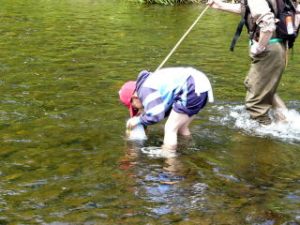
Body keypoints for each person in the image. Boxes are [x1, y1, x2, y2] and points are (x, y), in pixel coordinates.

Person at [207, 0, 300, 125]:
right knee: (254, 85)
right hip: (277, 47)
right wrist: (221, 6)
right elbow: (251, 10)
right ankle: (286, 120)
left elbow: (267, 25)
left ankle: (265, 136)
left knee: (255, 105)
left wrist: (259, 48)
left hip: (268, 49)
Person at [118, 67, 214, 155]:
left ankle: (170, 165)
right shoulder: (147, 85)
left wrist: (138, 120)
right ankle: (189, 150)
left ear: (134, 97)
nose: (137, 109)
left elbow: (156, 115)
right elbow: (164, 110)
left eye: (134, 107)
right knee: (181, 127)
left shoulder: (144, 91)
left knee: (170, 128)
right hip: (200, 85)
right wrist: (143, 120)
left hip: (191, 87)